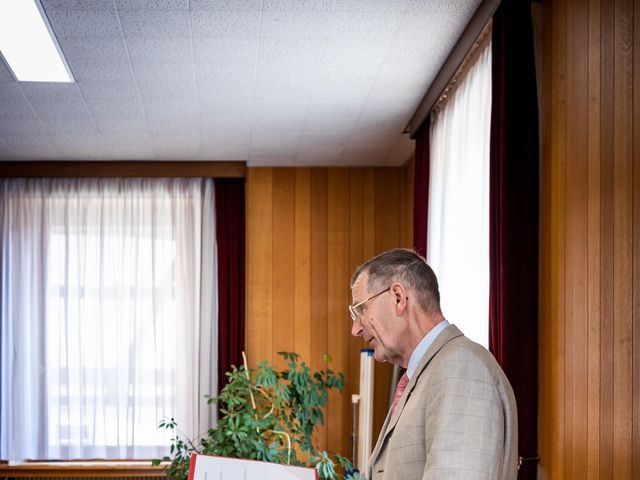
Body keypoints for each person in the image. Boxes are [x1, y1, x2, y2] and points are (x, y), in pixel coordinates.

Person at [349, 248, 518, 480]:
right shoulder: (428, 371)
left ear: (398, 298)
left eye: (360, 309)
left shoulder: (462, 368)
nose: (355, 328)